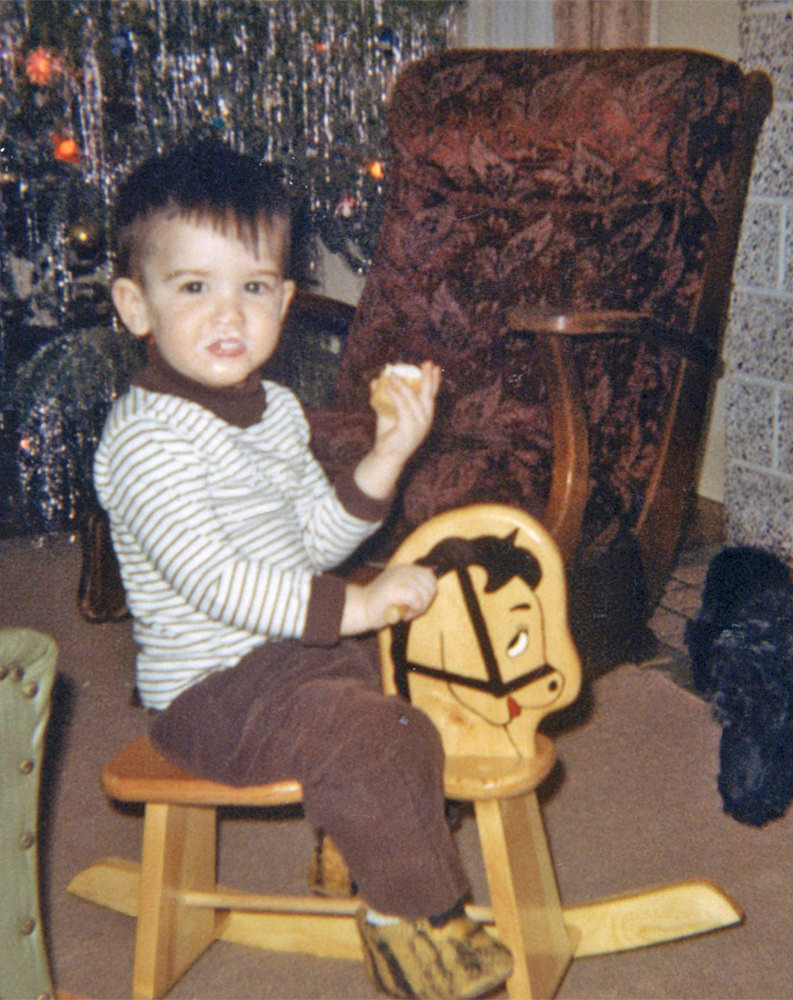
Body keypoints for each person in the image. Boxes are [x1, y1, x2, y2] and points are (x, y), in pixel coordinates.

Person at [94, 138, 513, 1000]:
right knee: (376, 732)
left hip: (293, 655)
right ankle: (416, 927)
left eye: (252, 288)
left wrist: (390, 453)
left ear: (285, 300)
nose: (228, 314)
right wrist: (357, 609)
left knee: (424, 702)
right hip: (213, 692)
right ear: (136, 306)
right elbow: (217, 580)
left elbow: (312, 541)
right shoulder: (147, 442)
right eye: (193, 287)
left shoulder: (277, 413)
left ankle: (361, 838)